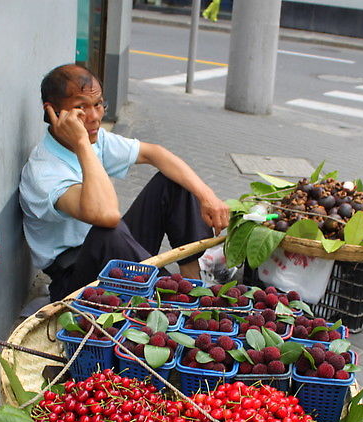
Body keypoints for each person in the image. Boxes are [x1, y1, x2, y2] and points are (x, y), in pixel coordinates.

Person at [19, 64, 230, 301]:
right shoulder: (43, 172)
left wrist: (207, 196)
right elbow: (107, 215)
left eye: (98, 104)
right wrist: (81, 144)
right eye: (81, 108)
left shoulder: (96, 140)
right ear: (53, 113)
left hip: (117, 249)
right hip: (77, 280)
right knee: (109, 232)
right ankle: (178, 301)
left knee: (174, 183)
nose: (95, 117)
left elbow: (155, 153)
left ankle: (195, 285)